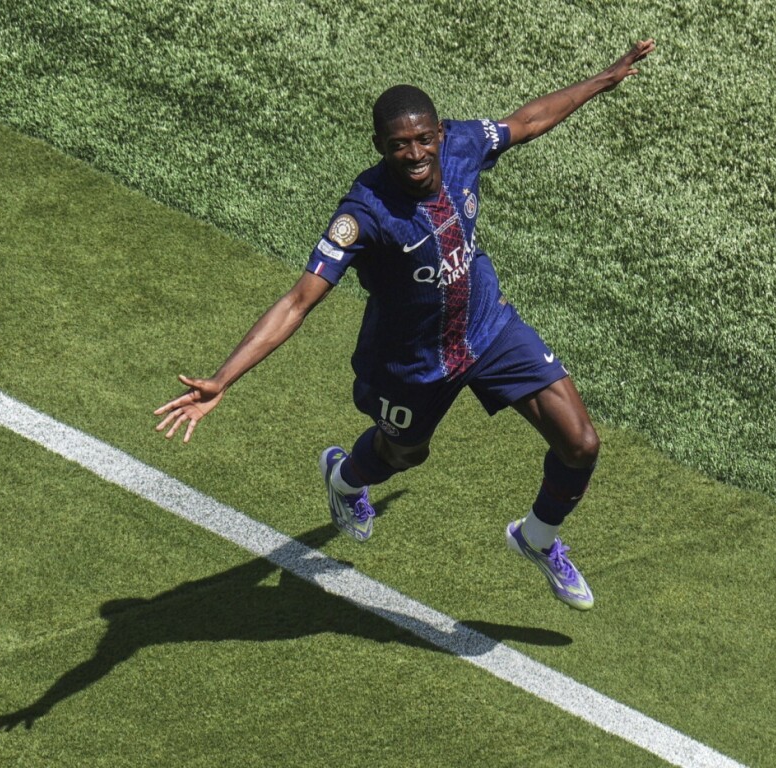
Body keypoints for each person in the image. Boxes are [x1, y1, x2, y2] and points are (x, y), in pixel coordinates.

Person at [155, 39, 656, 611]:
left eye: (423, 139)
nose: (415, 153)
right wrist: (223, 378)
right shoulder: (363, 213)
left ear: (439, 133)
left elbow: (528, 121)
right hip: (412, 362)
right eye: (399, 145)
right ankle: (346, 479)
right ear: (380, 147)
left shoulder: (464, 144)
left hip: (487, 329)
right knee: (404, 456)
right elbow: (297, 301)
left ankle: (537, 538)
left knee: (581, 444)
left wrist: (604, 78)